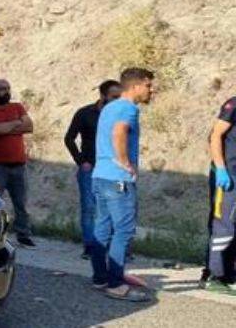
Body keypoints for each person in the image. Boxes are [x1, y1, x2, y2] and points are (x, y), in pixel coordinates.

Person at [89, 67, 155, 302]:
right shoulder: (129, 108)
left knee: (103, 229)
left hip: (100, 176)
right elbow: (119, 132)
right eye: (148, 85)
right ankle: (115, 283)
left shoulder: (109, 107)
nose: (151, 89)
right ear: (135, 86)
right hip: (118, 179)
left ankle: (101, 278)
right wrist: (125, 162)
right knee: (124, 231)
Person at [64, 79, 121, 259]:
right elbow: (69, 138)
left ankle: (113, 246)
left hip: (112, 168)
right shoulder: (84, 113)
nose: (118, 100)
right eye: (114, 96)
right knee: (89, 208)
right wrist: (81, 160)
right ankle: (90, 246)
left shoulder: (120, 115)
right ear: (103, 95)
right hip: (90, 168)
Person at [0, 79, 36, 248]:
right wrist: (17, 123)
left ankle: (24, 234)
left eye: (8, 88)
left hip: (18, 165)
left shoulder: (17, 107)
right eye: (2, 89)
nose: (6, 91)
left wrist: (6, 127)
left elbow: (29, 126)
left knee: (21, 203)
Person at [202, 94, 236, 294]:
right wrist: (221, 168)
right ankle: (213, 275)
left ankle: (228, 273)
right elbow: (215, 135)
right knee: (223, 226)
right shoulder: (234, 104)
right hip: (228, 176)